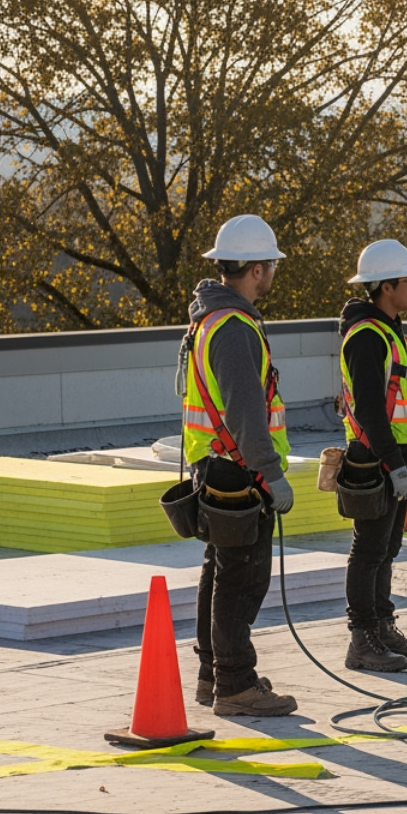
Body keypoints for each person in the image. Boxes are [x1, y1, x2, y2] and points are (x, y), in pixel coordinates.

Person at [183, 214, 298, 717]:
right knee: (241, 577)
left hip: (216, 463)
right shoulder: (233, 327)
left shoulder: (210, 318)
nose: (273, 271)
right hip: (237, 467)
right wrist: (270, 472)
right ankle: (234, 683)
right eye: (271, 264)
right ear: (255, 268)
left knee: (219, 571)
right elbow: (246, 407)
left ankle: (216, 674)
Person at [336, 239, 407, 673]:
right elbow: (371, 410)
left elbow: (403, 400)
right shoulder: (366, 338)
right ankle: (362, 639)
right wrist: (395, 464)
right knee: (370, 548)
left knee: (389, 546)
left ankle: (382, 625)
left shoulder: (390, 330)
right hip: (375, 457)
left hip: (399, 453)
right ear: (385, 286)